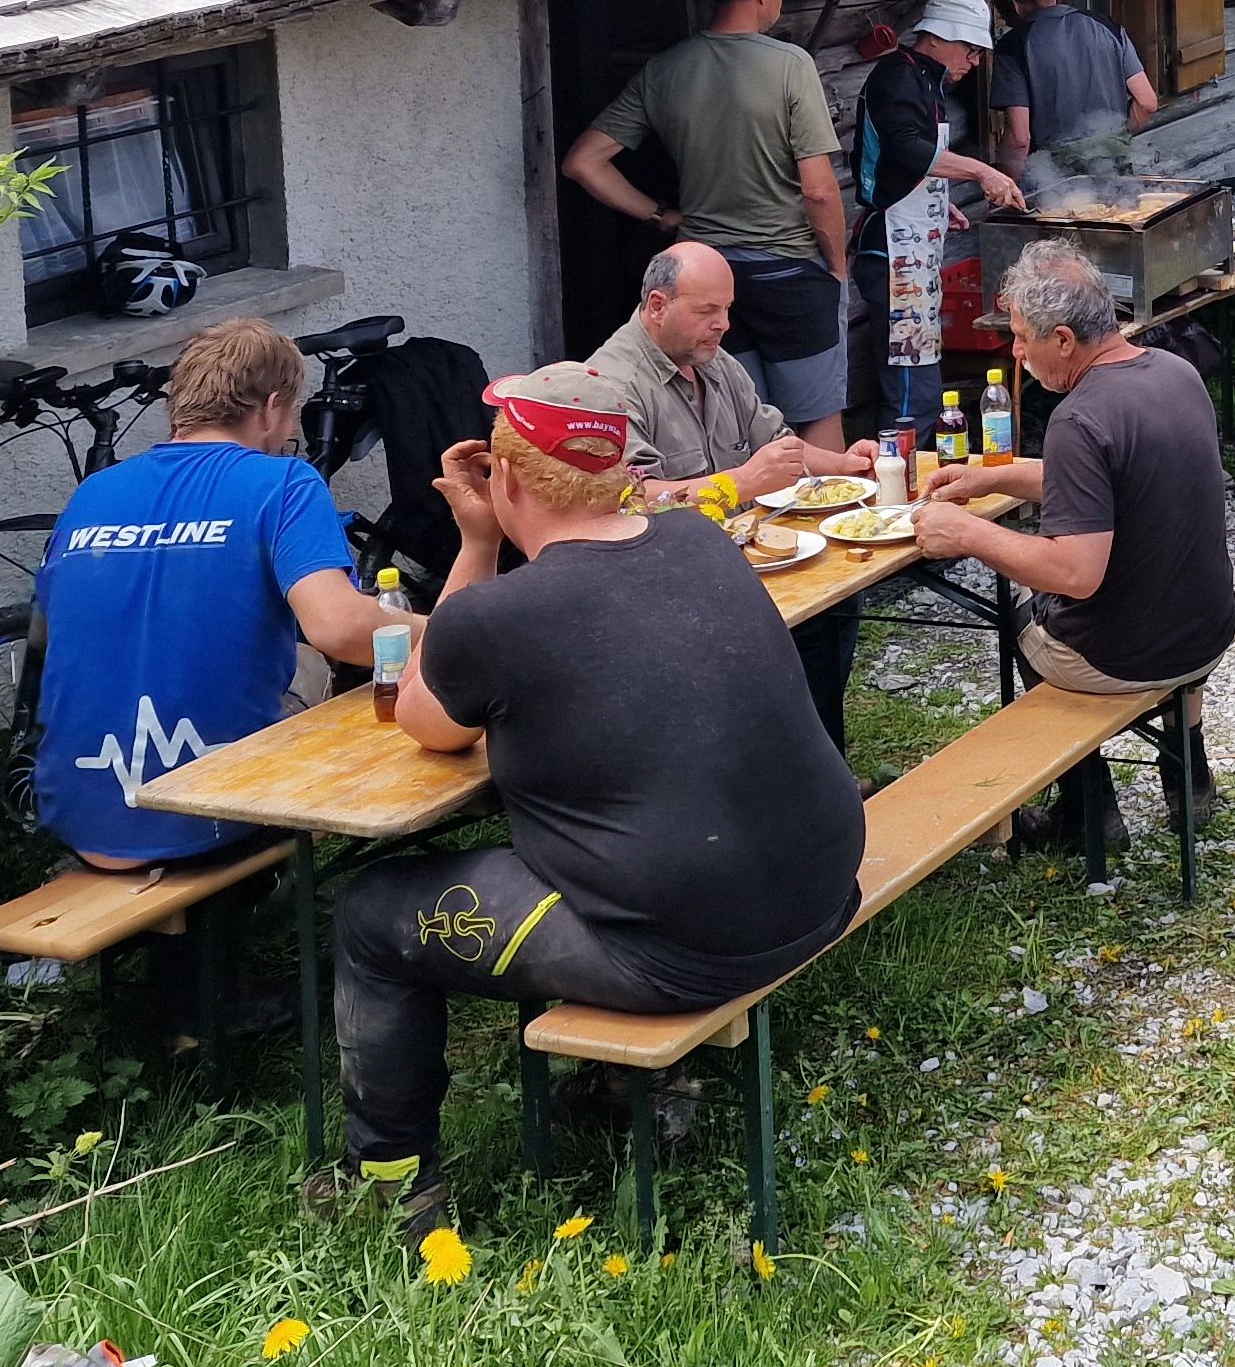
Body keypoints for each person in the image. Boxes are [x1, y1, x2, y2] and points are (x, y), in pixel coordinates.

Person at [327, 363, 864, 1227]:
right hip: (822, 888)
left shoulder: (492, 618)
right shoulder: (698, 539)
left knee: (369, 912)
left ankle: (388, 1180)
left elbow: (429, 723)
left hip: (689, 950)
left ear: (505, 477)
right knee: (624, 830)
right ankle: (621, 1089)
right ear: (620, 470)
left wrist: (475, 544)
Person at [30, 317, 390, 869]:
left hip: (81, 819)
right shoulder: (284, 483)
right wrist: (445, 631)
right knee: (318, 664)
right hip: (215, 816)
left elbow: (48, 633)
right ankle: (279, 878)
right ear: (272, 407)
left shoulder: (94, 493)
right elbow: (341, 630)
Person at [918, 241, 1235, 850]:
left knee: (1021, 621)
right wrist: (995, 477)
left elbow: (1075, 572)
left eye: (1021, 337)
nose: (1016, 351)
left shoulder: (1079, 417)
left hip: (1132, 657)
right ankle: (1190, 783)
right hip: (1207, 633)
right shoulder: (1174, 372)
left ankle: (1087, 818)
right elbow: (1118, 477)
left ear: (1063, 340)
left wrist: (966, 532)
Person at [590, 239, 880, 749]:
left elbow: (778, 444)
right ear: (657, 305)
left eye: (727, 310)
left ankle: (812, 759)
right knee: (802, 624)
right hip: (667, 573)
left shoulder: (713, 361)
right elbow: (634, 500)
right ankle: (790, 760)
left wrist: (848, 465)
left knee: (837, 599)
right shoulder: (612, 384)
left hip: (743, 554)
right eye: (708, 311)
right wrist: (741, 483)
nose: (723, 324)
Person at [564, 0, 854, 449]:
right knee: (816, 416)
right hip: (789, 272)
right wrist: (838, 267)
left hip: (706, 275)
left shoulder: (665, 69)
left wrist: (661, 215)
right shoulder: (790, 64)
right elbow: (820, 191)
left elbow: (583, 162)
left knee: (741, 421)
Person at [852, 0, 1029, 431]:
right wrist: (982, 172)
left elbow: (903, 164)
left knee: (921, 375)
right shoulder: (897, 76)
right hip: (891, 251)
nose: (974, 61)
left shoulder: (925, 80)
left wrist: (937, 200)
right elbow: (906, 148)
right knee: (910, 389)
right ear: (936, 37)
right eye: (970, 49)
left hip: (913, 247)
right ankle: (904, 469)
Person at [991, 0, 1157, 185]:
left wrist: (1006, 185)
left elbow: (1019, 138)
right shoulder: (1107, 26)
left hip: (1053, 177)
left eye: (1007, 20)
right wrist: (1114, 139)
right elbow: (1147, 103)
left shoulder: (1013, 45)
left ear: (1015, 6)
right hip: (1114, 164)